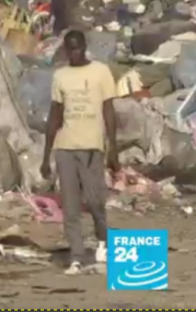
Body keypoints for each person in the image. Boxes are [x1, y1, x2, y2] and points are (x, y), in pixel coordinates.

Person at [40, 30, 119, 275]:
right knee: (71, 206)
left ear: (84, 47)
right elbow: (55, 115)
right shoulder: (61, 76)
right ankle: (76, 256)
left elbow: (108, 111)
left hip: (92, 146)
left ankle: (103, 240)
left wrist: (113, 147)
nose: (74, 53)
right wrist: (46, 155)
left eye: (77, 48)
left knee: (95, 201)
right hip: (65, 147)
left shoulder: (100, 72)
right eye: (70, 49)